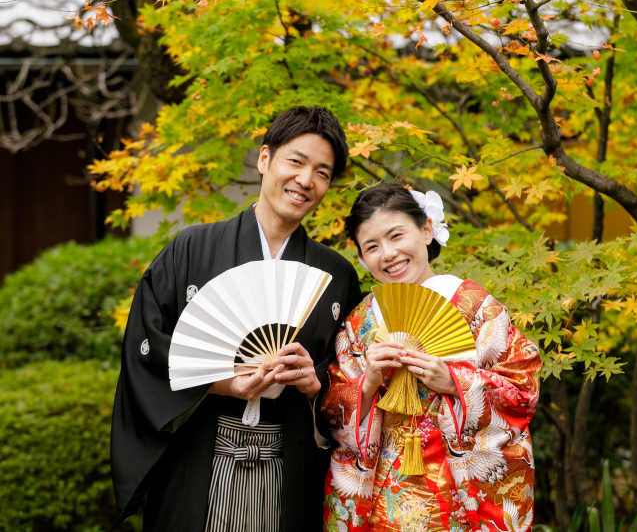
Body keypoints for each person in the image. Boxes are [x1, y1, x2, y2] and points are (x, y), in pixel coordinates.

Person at [111, 106, 363, 532]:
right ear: (265, 159)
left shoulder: (336, 275)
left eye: (322, 172)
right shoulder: (191, 248)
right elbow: (147, 346)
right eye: (296, 161)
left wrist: (314, 381)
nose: (306, 180)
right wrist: (218, 381)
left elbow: (350, 372)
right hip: (199, 454)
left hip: (291, 462)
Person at [321, 182, 542, 532]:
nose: (388, 253)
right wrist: (368, 383)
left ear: (426, 230)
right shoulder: (360, 322)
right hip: (382, 498)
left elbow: (523, 389)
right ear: (362, 259)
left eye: (396, 236)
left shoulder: (473, 307)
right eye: (372, 246)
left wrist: (457, 382)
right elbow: (331, 412)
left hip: (458, 497)